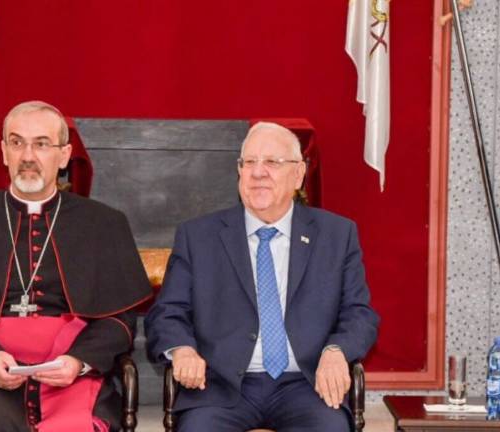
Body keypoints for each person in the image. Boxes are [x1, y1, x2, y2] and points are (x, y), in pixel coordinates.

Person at [0, 101, 153, 432]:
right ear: (4, 152)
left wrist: (77, 362)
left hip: (72, 372)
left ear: (64, 154)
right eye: (17, 143)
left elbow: (120, 321)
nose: (28, 156)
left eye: (41, 144)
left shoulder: (104, 224)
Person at [145, 122, 380, 431]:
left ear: (298, 174)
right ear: (239, 172)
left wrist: (337, 352)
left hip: (306, 385)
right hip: (220, 386)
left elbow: (359, 313)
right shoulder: (198, 236)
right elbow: (166, 312)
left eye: (272, 162)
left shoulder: (336, 235)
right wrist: (183, 350)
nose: (258, 172)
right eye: (249, 162)